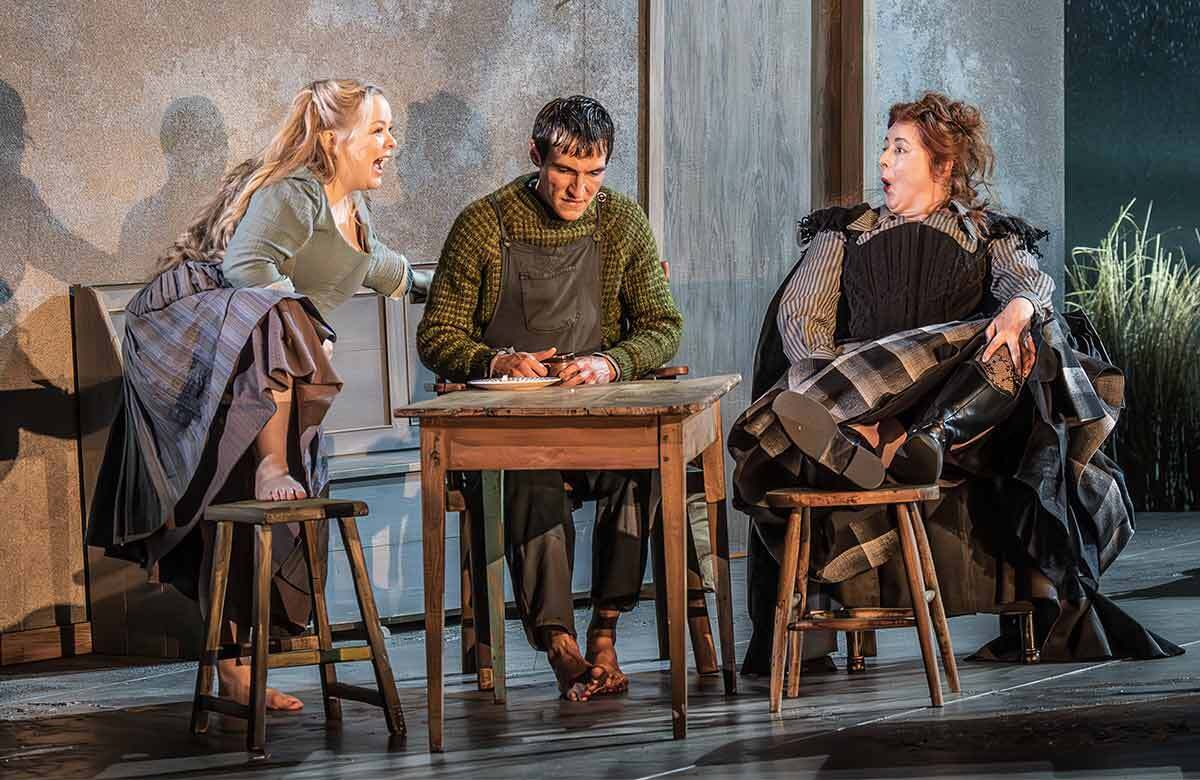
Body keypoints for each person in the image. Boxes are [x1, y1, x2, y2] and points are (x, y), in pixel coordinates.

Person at [730, 91, 1182, 673]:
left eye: (899, 150)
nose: (884, 165)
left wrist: (1019, 310)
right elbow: (803, 321)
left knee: (1018, 340)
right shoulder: (845, 232)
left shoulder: (989, 232)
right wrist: (842, 384)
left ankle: (916, 443)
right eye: (885, 149)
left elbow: (1028, 284)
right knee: (817, 391)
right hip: (867, 384)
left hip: (964, 400)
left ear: (942, 165)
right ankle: (881, 438)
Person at [88, 78, 426, 712]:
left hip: (259, 361)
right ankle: (272, 462)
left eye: (390, 129)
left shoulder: (351, 212)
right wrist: (304, 327)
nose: (391, 142)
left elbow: (383, 269)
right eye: (378, 129)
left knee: (242, 494)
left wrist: (466, 292)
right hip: (194, 328)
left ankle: (238, 667)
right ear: (334, 139)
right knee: (277, 332)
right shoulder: (295, 191)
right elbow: (247, 273)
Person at [417, 95, 709, 701]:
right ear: (535, 156)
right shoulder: (484, 223)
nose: (579, 190)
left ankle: (604, 632)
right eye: (565, 171)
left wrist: (611, 362)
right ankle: (560, 644)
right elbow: (436, 334)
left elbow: (662, 324)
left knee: (641, 466)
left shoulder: (621, 221)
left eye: (593, 173)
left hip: (597, 421)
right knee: (529, 472)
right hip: (514, 430)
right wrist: (494, 361)